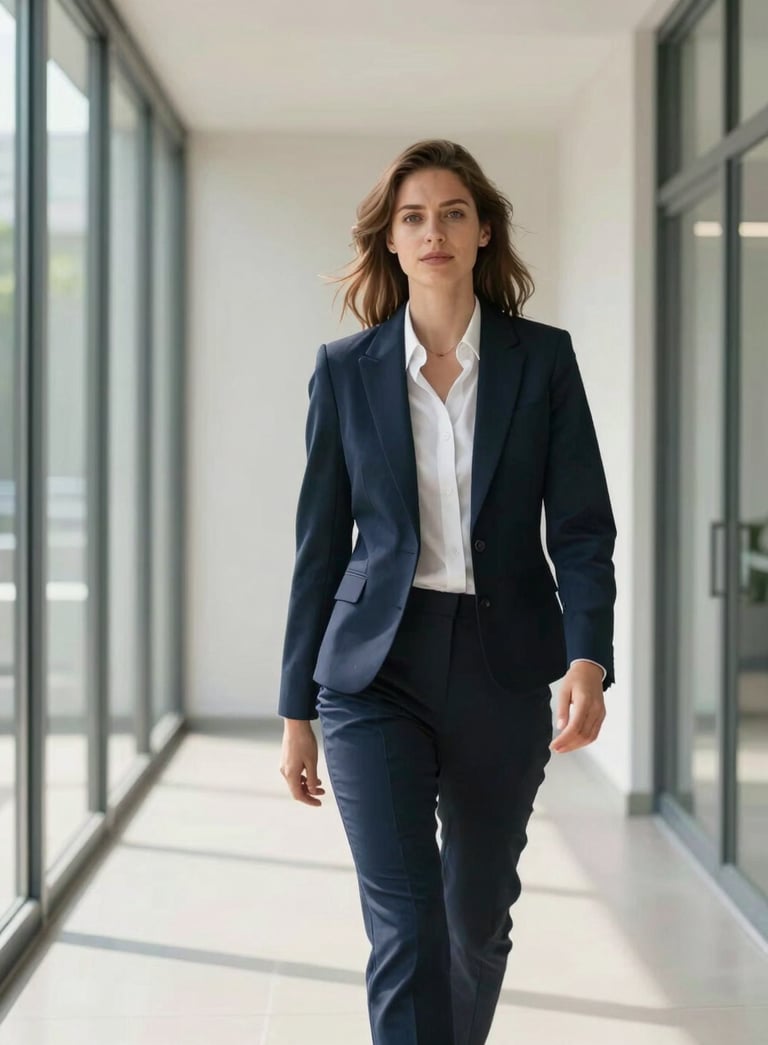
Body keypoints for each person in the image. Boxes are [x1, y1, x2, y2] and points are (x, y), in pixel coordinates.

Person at [277, 138, 616, 1045]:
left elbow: (581, 524)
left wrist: (588, 654)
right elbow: (320, 546)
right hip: (371, 671)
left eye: (452, 213)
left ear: (483, 232)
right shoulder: (345, 370)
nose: (434, 231)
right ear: (390, 241)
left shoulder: (542, 360)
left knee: (473, 920)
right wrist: (295, 709)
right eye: (413, 217)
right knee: (407, 927)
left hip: (502, 667)